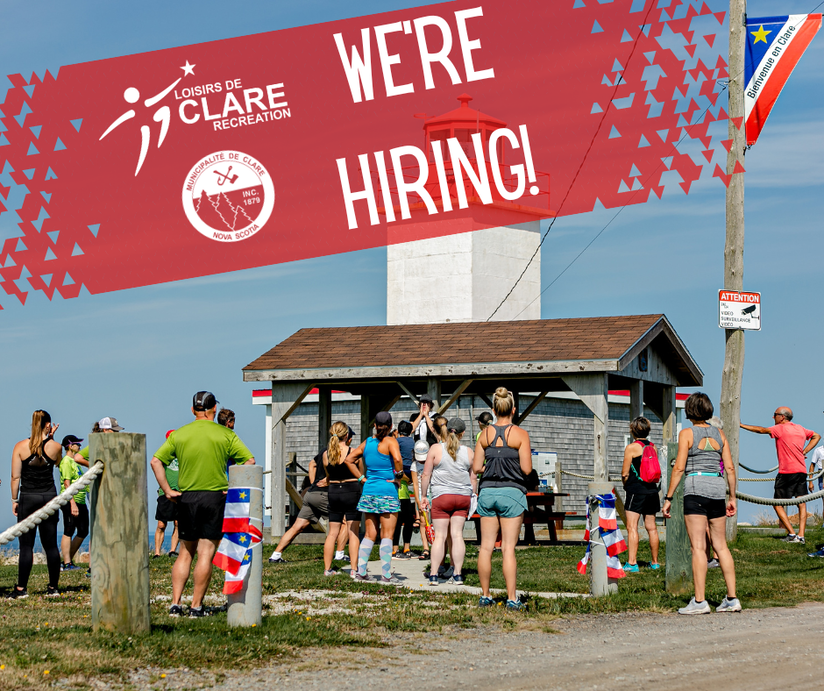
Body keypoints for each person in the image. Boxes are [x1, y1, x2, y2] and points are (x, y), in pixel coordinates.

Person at [151, 391, 255, 617]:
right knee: (206, 553)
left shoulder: (179, 434)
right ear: (214, 410)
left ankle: (175, 604)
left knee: (185, 553)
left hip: (186, 497)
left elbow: (156, 461)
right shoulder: (225, 434)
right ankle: (196, 606)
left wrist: (168, 491)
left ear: (192, 410)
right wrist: (232, 485)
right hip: (214, 497)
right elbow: (249, 461)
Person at [663, 392, 740, 615]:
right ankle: (732, 598)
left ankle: (699, 601)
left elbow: (678, 468)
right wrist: (732, 496)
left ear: (689, 411)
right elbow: (731, 468)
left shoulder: (687, 433)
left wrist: (668, 498)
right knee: (721, 546)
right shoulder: (720, 434)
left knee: (698, 547)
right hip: (717, 489)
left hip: (695, 489)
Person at [473, 387, 532, 611]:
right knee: (508, 548)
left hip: (487, 492)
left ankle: (485, 596)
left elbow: (477, 467)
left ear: (493, 409)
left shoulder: (484, 435)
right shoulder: (520, 434)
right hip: (512, 493)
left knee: (486, 547)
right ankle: (511, 598)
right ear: (514, 410)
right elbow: (526, 469)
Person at [741, 406, 820, 544]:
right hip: (801, 470)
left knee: (777, 504)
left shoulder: (780, 428)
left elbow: (761, 430)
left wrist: (741, 425)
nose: (773, 417)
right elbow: (816, 436)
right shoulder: (800, 428)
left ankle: (792, 533)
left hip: (787, 472)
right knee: (801, 503)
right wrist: (804, 451)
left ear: (782, 417)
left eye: (775, 415)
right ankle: (801, 536)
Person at [9, 410, 63, 599]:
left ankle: (21, 589)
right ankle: (53, 588)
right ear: (48, 425)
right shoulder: (56, 447)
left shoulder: (20, 447)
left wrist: (14, 499)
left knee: (26, 546)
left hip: (28, 498)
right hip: (49, 497)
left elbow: (15, 477)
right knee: (50, 546)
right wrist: (52, 439)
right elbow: (58, 464)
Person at [268, 442, 347, 565]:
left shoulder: (323, 450)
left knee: (297, 526)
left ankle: (276, 555)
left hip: (312, 494)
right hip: (324, 495)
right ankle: (340, 554)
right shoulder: (340, 452)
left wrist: (313, 483)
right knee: (345, 522)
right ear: (347, 437)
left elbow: (312, 464)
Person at [420, 417, 476, 585]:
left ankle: (434, 574)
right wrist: (473, 495)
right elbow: (473, 478)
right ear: (463, 433)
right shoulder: (469, 452)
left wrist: (424, 496)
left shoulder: (436, 449)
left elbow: (426, 475)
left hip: (441, 497)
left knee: (440, 537)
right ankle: (457, 575)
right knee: (457, 535)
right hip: (462, 497)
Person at [350, 411, 404, 584]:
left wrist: (361, 478)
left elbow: (349, 460)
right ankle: (386, 574)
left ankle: (361, 571)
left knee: (369, 534)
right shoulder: (391, 441)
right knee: (387, 534)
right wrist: (399, 475)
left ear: (374, 425)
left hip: (369, 491)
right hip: (387, 490)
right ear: (391, 426)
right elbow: (397, 458)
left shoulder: (367, 442)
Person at [620, 417, 661, 572]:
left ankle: (632, 563)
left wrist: (626, 485)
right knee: (652, 528)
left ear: (633, 430)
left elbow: (625, 473)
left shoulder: (631, 448)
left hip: (636, 490)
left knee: (632, 527)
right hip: (652, 490)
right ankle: (655, 562)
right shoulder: (653, 447)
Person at [322, 422, 361, 575]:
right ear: (347, 435)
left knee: (332, 533)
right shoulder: (353, 452)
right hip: (351, 489)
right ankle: (354, 569)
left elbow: (328, 475)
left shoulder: (326, 454)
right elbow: (360, 472)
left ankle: (327, 569)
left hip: (333, 491)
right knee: (353, 532)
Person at [59, 434, 89, 570]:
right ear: (70, 446)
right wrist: (72, 503)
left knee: (83, 530)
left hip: (81, 500)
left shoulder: (75, 462)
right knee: (69, 529)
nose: (80, 446)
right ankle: (66, 563)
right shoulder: (66, 461)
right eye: (77, 444)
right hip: (69, 500)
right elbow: (67, 484)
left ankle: (67, 559)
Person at [154, 429, 180, 558]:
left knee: (178, 523)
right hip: (164, 493)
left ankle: (172, 550)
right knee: (161, 524)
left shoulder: (183, 454)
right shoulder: (163, 455)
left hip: (180, 492)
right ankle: (157, 552)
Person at [392, 420, 416, 559]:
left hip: (399, 486)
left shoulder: (395, 443)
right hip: (405, 486)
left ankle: (395, 549)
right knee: (408, 519)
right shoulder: (412, 442)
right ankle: (406, 548)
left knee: (397, 520)